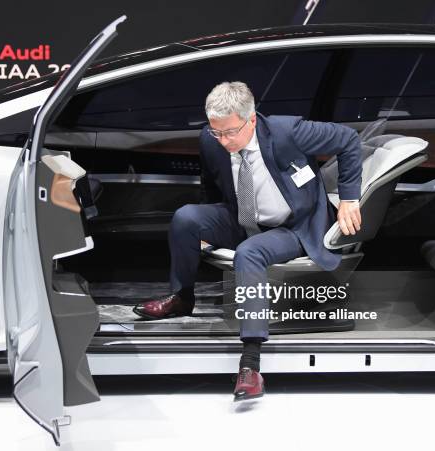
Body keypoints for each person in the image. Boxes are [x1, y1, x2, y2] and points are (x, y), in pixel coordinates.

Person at [132, 81, 363, 401]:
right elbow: (211, 188)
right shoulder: (210, 139)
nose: (223, 141)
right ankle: (182, 297)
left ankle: (251, 364)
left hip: (293, 227)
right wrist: (204, 231)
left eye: (230, 132)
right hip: (242, 217)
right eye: (217, 132)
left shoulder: (288, 132)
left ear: (251, 119)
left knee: (249, 253)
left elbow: (349, 140)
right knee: (186, 217)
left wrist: (350, 199)